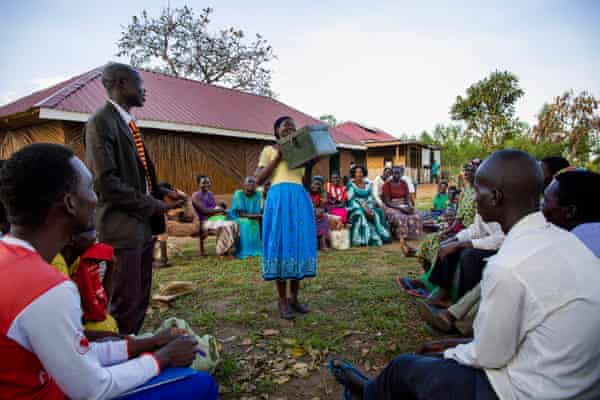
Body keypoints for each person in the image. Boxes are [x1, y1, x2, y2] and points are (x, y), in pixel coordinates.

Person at [331, 149, 600, 400]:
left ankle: (367, 392)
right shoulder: (565, 242)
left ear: (495, 197)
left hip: (530, 391)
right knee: (435, 358)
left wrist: (450, 350)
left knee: (405, 367)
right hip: (574, 381)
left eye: (478, 188)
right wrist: (455, 344)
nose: (472, 194)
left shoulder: (508, 265)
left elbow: (490, 357)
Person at [0, 143, 218, 399]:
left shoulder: (9, 258)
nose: (97, 199)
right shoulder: (47, 288)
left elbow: (73, 354)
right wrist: (161, 358)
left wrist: (149, 343)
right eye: (90, 188)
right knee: (199, 384)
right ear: (70, 203)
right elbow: (93, 389)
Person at [418, 170, 600, 335]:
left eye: (546, 200)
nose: (542, 206)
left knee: (495, 269)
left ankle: (463, 325)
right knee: (472, 259)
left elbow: (505, 240)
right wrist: (457, 240)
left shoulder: (575, 247)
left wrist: (465, 244)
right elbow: (476, 229)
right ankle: (453, 316)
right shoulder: (568, 237)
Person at [85, 63, 182, 335]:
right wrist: (154, 205)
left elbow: (135, 177)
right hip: (121, 229)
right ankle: (121, 357)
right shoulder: (100, 122)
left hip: (140, 226)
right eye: (138, 82)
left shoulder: (127, 122)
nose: (143, 90)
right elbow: (106, 183)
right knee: (126, 301)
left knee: (139, 297)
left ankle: (133, 346)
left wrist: (162, 190)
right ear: (119, 84)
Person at [256, 116, 317, 320]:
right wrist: (278, 157)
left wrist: (309, 166)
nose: (290, 128)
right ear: (276, 131)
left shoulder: (301, 154)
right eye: (285, 126)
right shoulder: (269, 150)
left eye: (293, 126)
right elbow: (258, 179)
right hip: (278, 200)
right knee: (280, 246)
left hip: (299, 200)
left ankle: (294, 298)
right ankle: (282, 301)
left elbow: (307, 185)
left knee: (298, 246)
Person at [52, 228, 120, 340]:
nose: (95, 237)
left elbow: (100, 306)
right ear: (71, 239)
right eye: (91, 232)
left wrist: (110, 268)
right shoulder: (57, 263)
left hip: (74, 320)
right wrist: (114, 337)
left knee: (107, 323)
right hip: (60, 327)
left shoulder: (81, 260)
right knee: (105, 329)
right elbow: (66, 319)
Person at [192, 175, 239, 258]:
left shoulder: (210, 194)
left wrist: (221, 210)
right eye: (204, 183)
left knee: (235, 223)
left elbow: (213, 209)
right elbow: (204, 211)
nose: (207, 184)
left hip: (213, 219)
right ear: (198, 184)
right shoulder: (195, 196)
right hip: (203, 222)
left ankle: (226, 249)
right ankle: (221, 252)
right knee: (226, 225)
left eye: (208, 182)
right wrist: (220, 210)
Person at [347, 165, 391, 247]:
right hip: (355, 207)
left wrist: (368, 207)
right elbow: (350, 200)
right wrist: (362, 205)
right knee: (360, 213)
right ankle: (360, 240)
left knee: (377, 212)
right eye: (357, 172)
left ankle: (382, 235)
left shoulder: (367, 184)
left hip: (368, 206)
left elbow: (370, 197)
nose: (359, 174)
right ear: (354, 174)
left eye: (361, 172)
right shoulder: (351, 185)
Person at [382, 166, 423, 242]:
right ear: (391, 174)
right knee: (401, 217)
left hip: (404, 204)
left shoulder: (404, 183)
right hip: (391, 206)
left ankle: (413, 234)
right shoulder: (387, 185)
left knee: (417, 214)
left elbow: (407, 197)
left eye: (398, 173)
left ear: (401, 174)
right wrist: (400, 208)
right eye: (394, 173)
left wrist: (410, 206)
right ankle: (402, 235)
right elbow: (387, 202)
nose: (396, 175)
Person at [229, 176, 262, 259]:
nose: (251, 184)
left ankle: (254, 249)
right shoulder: (238, 194)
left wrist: (259, 216)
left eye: (253, 182)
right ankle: (245, 250)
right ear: (244, 184)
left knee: (254, 222)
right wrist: (260, 216)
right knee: (247, 223)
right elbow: (241, 214)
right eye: (249, 182)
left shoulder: (258, 194)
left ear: (256, 185)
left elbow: (258, 211)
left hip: (253, 216)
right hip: (237, 217)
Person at [310, 176, 331, 251]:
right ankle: (322, 244)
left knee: (324, 217)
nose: (316, 186)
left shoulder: (320, 194)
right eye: (315, 184)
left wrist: (320, 210)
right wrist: (314, 210)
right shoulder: (306, 193)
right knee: (317, 218)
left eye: (319, 185)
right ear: (311, 184)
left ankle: (323, 242)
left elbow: (322, 208)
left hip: (318, 214)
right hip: (308, 213)